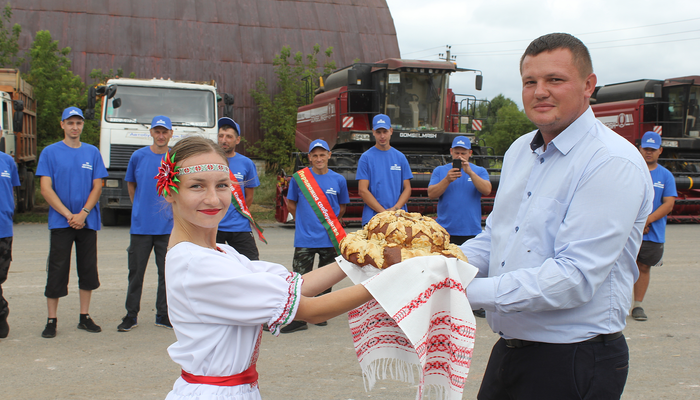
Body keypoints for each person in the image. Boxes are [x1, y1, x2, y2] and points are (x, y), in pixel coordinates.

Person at [460, 33, 653, 399]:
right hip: (512, 350)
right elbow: (496, 237)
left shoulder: (609, 162)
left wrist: (459, 290)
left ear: (588, 86)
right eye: (530, 82)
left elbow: (574, 277)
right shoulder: (521, 150)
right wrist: (441, 265)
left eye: (555, 80)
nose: (540, 91)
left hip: (575, 358)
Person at [158, 136, 373, 400]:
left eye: (222, 185)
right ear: (170, 191)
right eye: (197, 186)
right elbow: (313, 311)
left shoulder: (223, 253)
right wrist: (393, 280)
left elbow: (298, 286)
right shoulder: (197, 265)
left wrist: (363, 255)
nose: (213, 199)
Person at [36, 107, 109, 338]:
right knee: (57, 270)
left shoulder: (92, 152)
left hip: (87, 221)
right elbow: (46, 188)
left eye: (78, 123)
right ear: (62, 125)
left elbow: (98, 186)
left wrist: (84, 213)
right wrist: (69, 215)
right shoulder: (50, 152)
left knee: (87, 269)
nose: (74, 127)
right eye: (70, 123)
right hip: (61, 222)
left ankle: (84, 316)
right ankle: (51, 319)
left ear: (82, 126)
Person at [279, 139, 350, 333]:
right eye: (315, 155)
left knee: (326, 277)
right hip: (305, 238)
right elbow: (291, 203)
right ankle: (300, 318)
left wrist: (327, 222)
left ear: (329, 155)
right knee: (300, 278)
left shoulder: (339, 180)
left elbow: (341, 208)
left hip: (329, 236)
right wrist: (305, 219)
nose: (319, 158)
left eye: (322, 154)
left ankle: (321, 313)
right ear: (309, 157)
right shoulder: (299, 178)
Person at [117, 115, 175, 332]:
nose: (161, 136)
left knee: (166, 273)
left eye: (165, 132)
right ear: (151, 132)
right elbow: (132, 185)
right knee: (136, 273)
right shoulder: (138, 156)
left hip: (167, 227)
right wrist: (140, 208)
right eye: (157, 131)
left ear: (170, 134)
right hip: (141, 227)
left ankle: (163, 314)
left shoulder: (175, 159)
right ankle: (131, 315)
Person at [631, 131, 677, 322]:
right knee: (621, 267)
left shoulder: (665, 176)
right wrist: (636, 223)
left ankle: (638, 305)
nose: (648, 152)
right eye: (645, 148)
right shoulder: (631, 169)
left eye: (652, 149)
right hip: (629, 230)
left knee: (643, 267)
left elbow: (668, 204)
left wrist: (647, 221)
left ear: (660, 150)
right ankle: (617, 303)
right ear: (639, 149)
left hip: (652, 233)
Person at [427, 135, 492, 245]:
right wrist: (447, 180)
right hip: (445, 230)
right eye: (457, 153)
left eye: (463, 153)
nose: (460, 156)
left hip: (471, 230)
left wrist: (470, 173)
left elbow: (487, 190)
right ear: (451, 152)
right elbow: (431, 194)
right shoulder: (440, 170)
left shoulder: (479, 171)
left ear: (470, 153)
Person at [216, 117, 261, 260]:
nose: (224, 140)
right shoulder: (209, 160)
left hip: (239, 227)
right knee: (214, 269)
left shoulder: (246, 163)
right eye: (221, 136)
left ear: (237, 140)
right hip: (214, 226)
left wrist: (236, 213)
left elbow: (249, 197)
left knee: (252, 264)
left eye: (229, 136)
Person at [356, 114, 413, 226]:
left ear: (391, 131)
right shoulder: (366, 158)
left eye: (385, 131)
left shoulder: (400, 157)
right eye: (378, 132)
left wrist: (395, 209)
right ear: (373, 132)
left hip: (398, 218)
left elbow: (407, 188)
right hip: (373, 218)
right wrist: (384, 213)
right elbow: (362, 190)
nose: (382, 136)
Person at [0, 147, 20, 339]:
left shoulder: (7, 161)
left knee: (0, 275)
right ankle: (1, 314)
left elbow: (12, 190)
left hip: (3, 229)